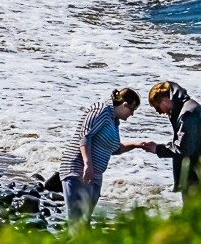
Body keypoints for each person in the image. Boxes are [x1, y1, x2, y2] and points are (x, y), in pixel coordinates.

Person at [59, 88, 145, 232]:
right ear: (124, 105)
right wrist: (87, 164)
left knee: (84, 224)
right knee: (77, 224)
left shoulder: (113, 120)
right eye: (132, 110)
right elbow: (85, 136)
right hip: (78, 170)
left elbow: (114, 149)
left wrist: (137, 144)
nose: (132, 114)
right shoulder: (101, 110)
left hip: (95, 175)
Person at [140, 81, 201, 200]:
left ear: (165, 101)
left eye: (157, 107)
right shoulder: (188, 109)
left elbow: (183, 149)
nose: (159, 112)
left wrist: (157, 149)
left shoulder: (188, 114)